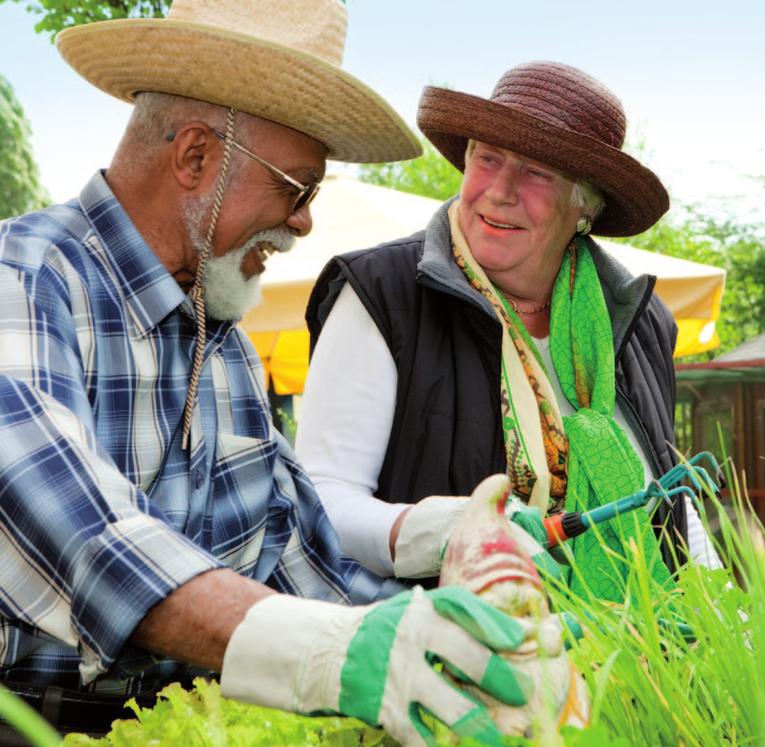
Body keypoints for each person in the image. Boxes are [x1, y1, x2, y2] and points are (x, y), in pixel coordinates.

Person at [0, 2, 535, 745]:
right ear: (195, 159)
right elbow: (89, 540)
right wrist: (330, 651)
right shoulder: (23, 282)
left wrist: (438, 620)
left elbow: (306, 569)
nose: (305, 222)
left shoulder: (228, 350)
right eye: (298, 187)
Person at [300, 61, 722, 602]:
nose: (499, 191)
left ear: (585, 206)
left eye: (536, 173)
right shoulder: (383, 292)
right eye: (487, 158)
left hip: (639, 659)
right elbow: (322, 500)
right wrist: (450, 534)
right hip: (450, 658)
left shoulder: (642, 322)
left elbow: (666, 496)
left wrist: (733, 620)